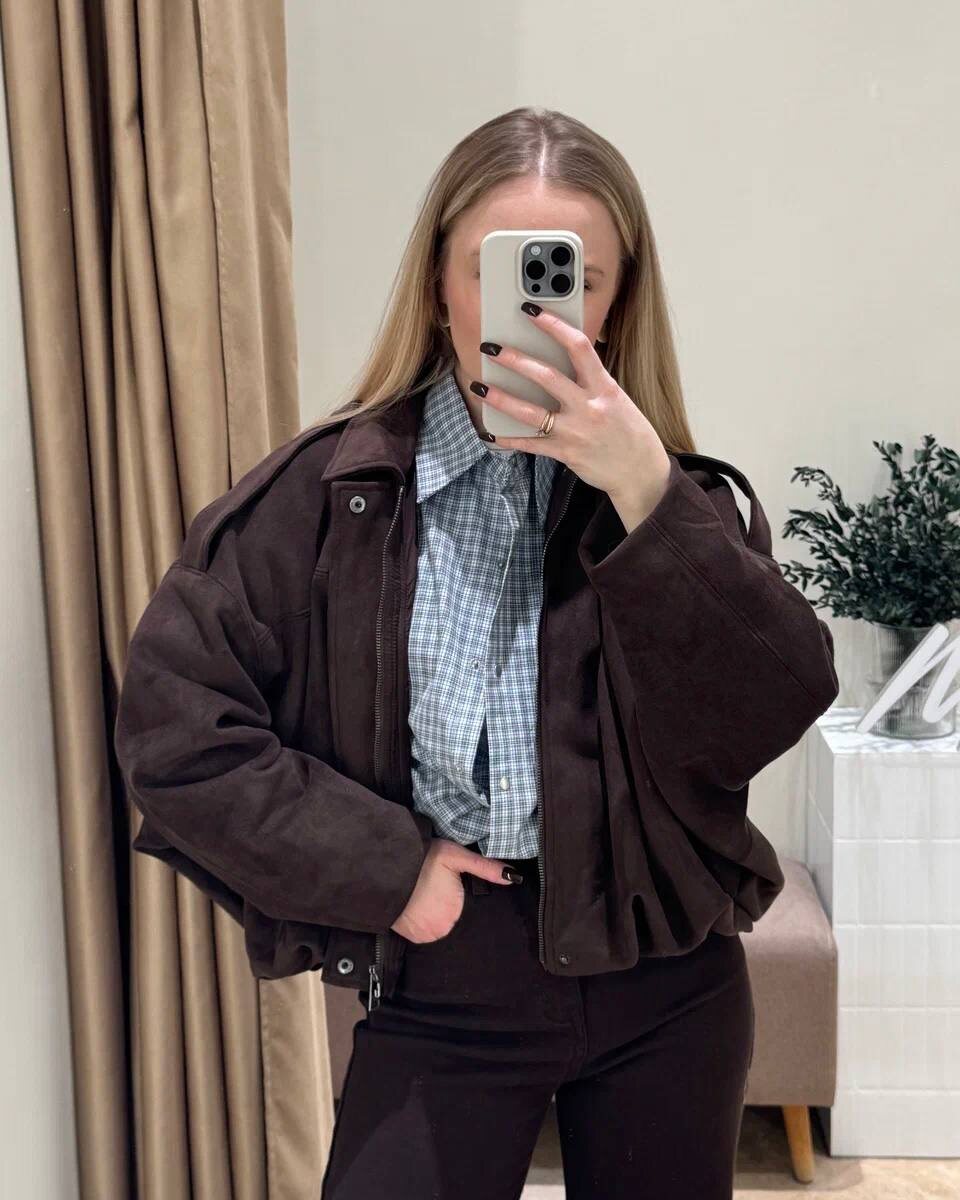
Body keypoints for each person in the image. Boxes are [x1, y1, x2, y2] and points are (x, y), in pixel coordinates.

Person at [115, 105, 839, 1199]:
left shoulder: (677, 504)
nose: (542, 311)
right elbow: (176, 733)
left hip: (669, 988)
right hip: (444, 978)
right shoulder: (325, 498)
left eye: (575, 278)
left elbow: (772, 705)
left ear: (616, 302)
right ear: (440, 290)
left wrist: (643, 490)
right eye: (500, 271)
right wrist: (386, 867)